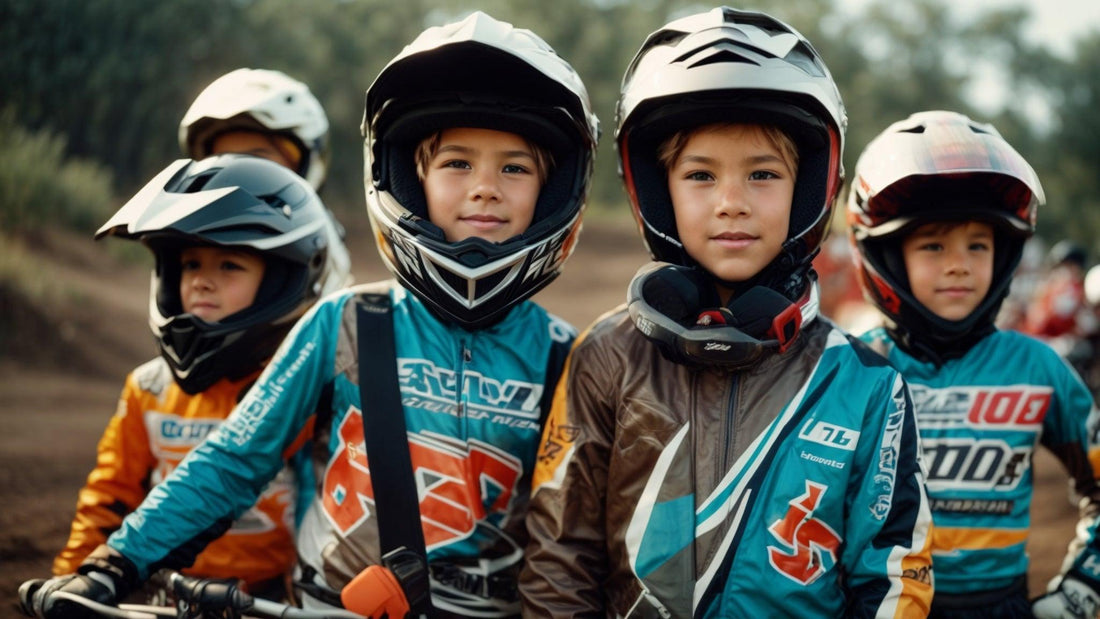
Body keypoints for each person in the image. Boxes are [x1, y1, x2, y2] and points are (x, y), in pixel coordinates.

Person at [22, 11, 598, 619]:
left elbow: (578, 541)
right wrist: (111, 567)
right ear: (409, 178)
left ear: (554, 189)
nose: (485, 187)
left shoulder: (566, 356)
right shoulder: (347, 322)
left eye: (515, 166)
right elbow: (235, 458)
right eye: (457, 163)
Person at [520, 7, 933, 617]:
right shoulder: (607, 355)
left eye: (763, 174)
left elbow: (893, 580)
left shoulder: (867, 385)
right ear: (657, 191)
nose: (732, 203)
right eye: (700, 175)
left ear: (812, 187)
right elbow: (560, 561)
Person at [49, 154, 351, 600]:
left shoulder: (303, 392)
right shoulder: (148, 388)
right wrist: (77, 579)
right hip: (162, 594)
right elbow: (108, 500)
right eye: (191, 264)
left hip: (272, 599)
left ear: (282, 280)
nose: (202, 281)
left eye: (228, 265)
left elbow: (334, 509)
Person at [846, 110, 1100, 618]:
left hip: (1000, 605)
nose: (958, 263)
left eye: (978, 245)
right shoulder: (856, 366)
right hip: (878, 604)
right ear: (888, 257)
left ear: (1003, 254)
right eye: (934, 244)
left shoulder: (1036, 367)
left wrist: (1084, 585)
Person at [179, 67, 353, 289]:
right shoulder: (192, 241)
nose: (234, 173)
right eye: (220, 161)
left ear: (306, 165)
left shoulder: (322, 245)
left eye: (256, 161)